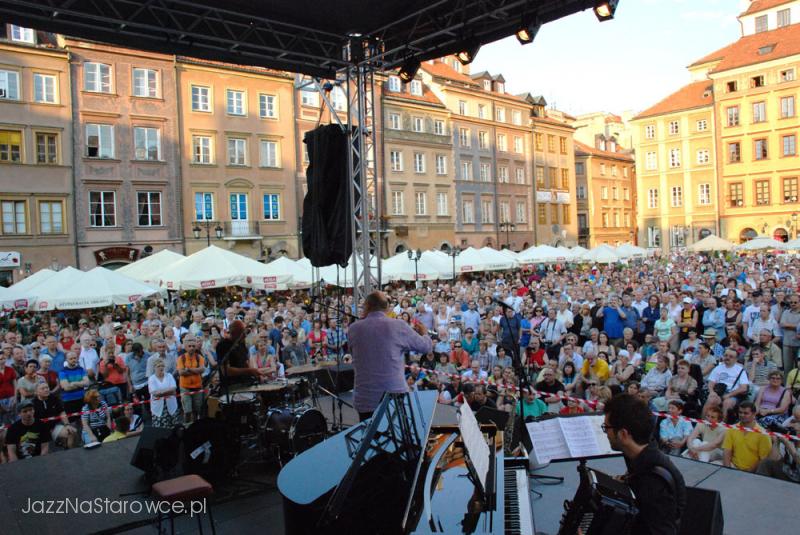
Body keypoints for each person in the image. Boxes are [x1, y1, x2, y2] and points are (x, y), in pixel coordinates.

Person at [602, 394, 686, 535]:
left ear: (623, 434)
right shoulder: (641, 452)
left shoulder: (652, 481)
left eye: (606, 428)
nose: (606, 433)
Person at [349, 291, 432, 421]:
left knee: (369, 437)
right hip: (393, 397)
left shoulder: (353, 328)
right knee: (396, 438)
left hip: (365, 398)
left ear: (366, 306)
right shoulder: (398, 326)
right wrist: (425, 333)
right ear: (387, 308)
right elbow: (426, 347)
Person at [722, 401, 772, 472]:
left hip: (753, 472)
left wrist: (747, 473)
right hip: (732, 466)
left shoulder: (763, 434)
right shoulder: (732, 429)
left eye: (746, 413)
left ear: (754, 414)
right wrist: (728, 469)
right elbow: (727, 451)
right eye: (740, 412)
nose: (742, 415)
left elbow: (763, 459)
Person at [218, 320, 266, 387]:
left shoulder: (241, 344)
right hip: (232, 386)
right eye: (241, 332)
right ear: (234, 333)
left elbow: (245, 362)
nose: (244, 335)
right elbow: (226, 371)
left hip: (246, 383)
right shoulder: (223, 345)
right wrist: (249, 371)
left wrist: (256, 374)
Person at [32, 382, 77, 449]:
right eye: (42, 388)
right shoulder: (32, 404)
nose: (46, 390)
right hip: (40, 431)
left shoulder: (53, 398)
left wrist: (67, 424)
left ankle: (69, 450)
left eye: (47, 387)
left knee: (72, 431)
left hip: (54, 427)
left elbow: (61, 412)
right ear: (36, 392)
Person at [177, 335, 206, 424]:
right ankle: (186, 426)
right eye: (189, 346)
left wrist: (188, 369)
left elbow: (202, 369)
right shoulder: (181, 358)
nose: (191, 348)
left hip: (197, 387)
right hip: (185, 387)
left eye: (193, 346)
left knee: (197, 409)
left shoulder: (199, 357)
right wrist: (196, 371)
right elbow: (181, 373)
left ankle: (196, 426)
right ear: (185, 347)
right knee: (187, 410)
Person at [148, 359, 181, 428]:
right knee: (161, 428)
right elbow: (155, 393)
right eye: (158, 366)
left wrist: (161, 392)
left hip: (171, 404)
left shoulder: (169, 376)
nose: (161, 367)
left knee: (174, 426)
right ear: (154, 368)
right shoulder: (152, 378)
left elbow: (174, 389)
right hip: (158, 407)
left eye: (162, 366)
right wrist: (169, 391)